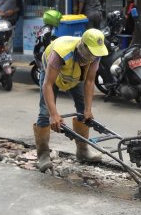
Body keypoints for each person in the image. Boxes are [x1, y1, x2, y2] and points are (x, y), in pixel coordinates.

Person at [32, 28, 109, 173]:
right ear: (83, 46)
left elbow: (90, 81)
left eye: (96, 54)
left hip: (75, 76)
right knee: (44, 112)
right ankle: (42, 155)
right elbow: (47, 84)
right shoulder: (61, 53)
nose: (93, 56)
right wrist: (54, 114)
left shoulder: (95, 56)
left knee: (83, 112)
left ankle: (82, 151)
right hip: (52, 75)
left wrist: (88, 109)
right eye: (91, 52)